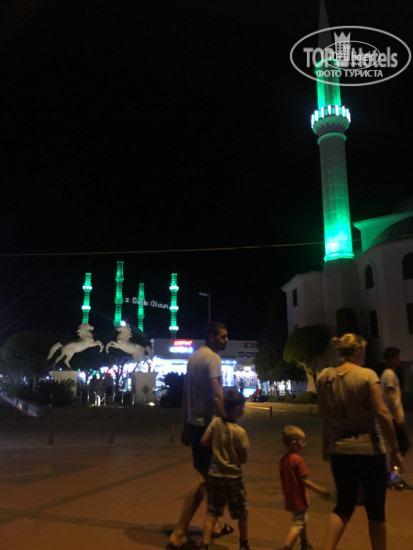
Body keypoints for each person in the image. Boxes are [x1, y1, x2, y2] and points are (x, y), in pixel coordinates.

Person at [317, 333, 404, 550]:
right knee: (376, 511)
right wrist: (395, 449)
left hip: (340, 450)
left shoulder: (324, 377)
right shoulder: (367, 376)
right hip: (370, 451)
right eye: (363, 350)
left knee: (343, 507)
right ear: (358, 351)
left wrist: (326, 443)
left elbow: (323, 414)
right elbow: (382, 413)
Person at [169, 321, 231, 548]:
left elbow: (186, 393)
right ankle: (179, 532)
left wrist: (185, 425)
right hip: (207, 426)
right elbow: (217, 395)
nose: (226, 340)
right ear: (211, 337)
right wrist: (228, 423)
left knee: (216, 476)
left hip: (195, 424)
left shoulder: (194, 357)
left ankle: (216, 523)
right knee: (205, 479)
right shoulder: (213, 358)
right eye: (223, 336)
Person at [199, 390, 250, 550]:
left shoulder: (215, 423)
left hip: (215, 475)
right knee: (242, 513)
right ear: (237, 408)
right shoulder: (240, 432)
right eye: (242, 407)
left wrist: (216, 445)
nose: (243, 410)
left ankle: (205, 545)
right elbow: (243, 458)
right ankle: (243, 544)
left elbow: (204, 441)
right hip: (233, 477)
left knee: (212, 513)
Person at [279, 425, 330, 550]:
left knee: (302, 520)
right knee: (298, 524)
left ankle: (305, 543)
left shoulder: (284, 459)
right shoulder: (298, 460)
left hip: (290, 498)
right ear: (294, 443)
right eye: (302, 441)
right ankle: (287, 547)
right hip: (298, 499)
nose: (305, 444)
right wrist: (320, 490)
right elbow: (304, 481)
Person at [381, 347, 411, 490]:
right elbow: (391, 397)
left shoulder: (389, 374)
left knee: (398, 448)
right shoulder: (389, 375)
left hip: (392, 417)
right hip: (392, 417)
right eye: (397, 357)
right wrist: (398, 416)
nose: (400, 360)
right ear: (392, 359)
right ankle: (394, 477)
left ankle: (392, 477)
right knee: (401, 446)